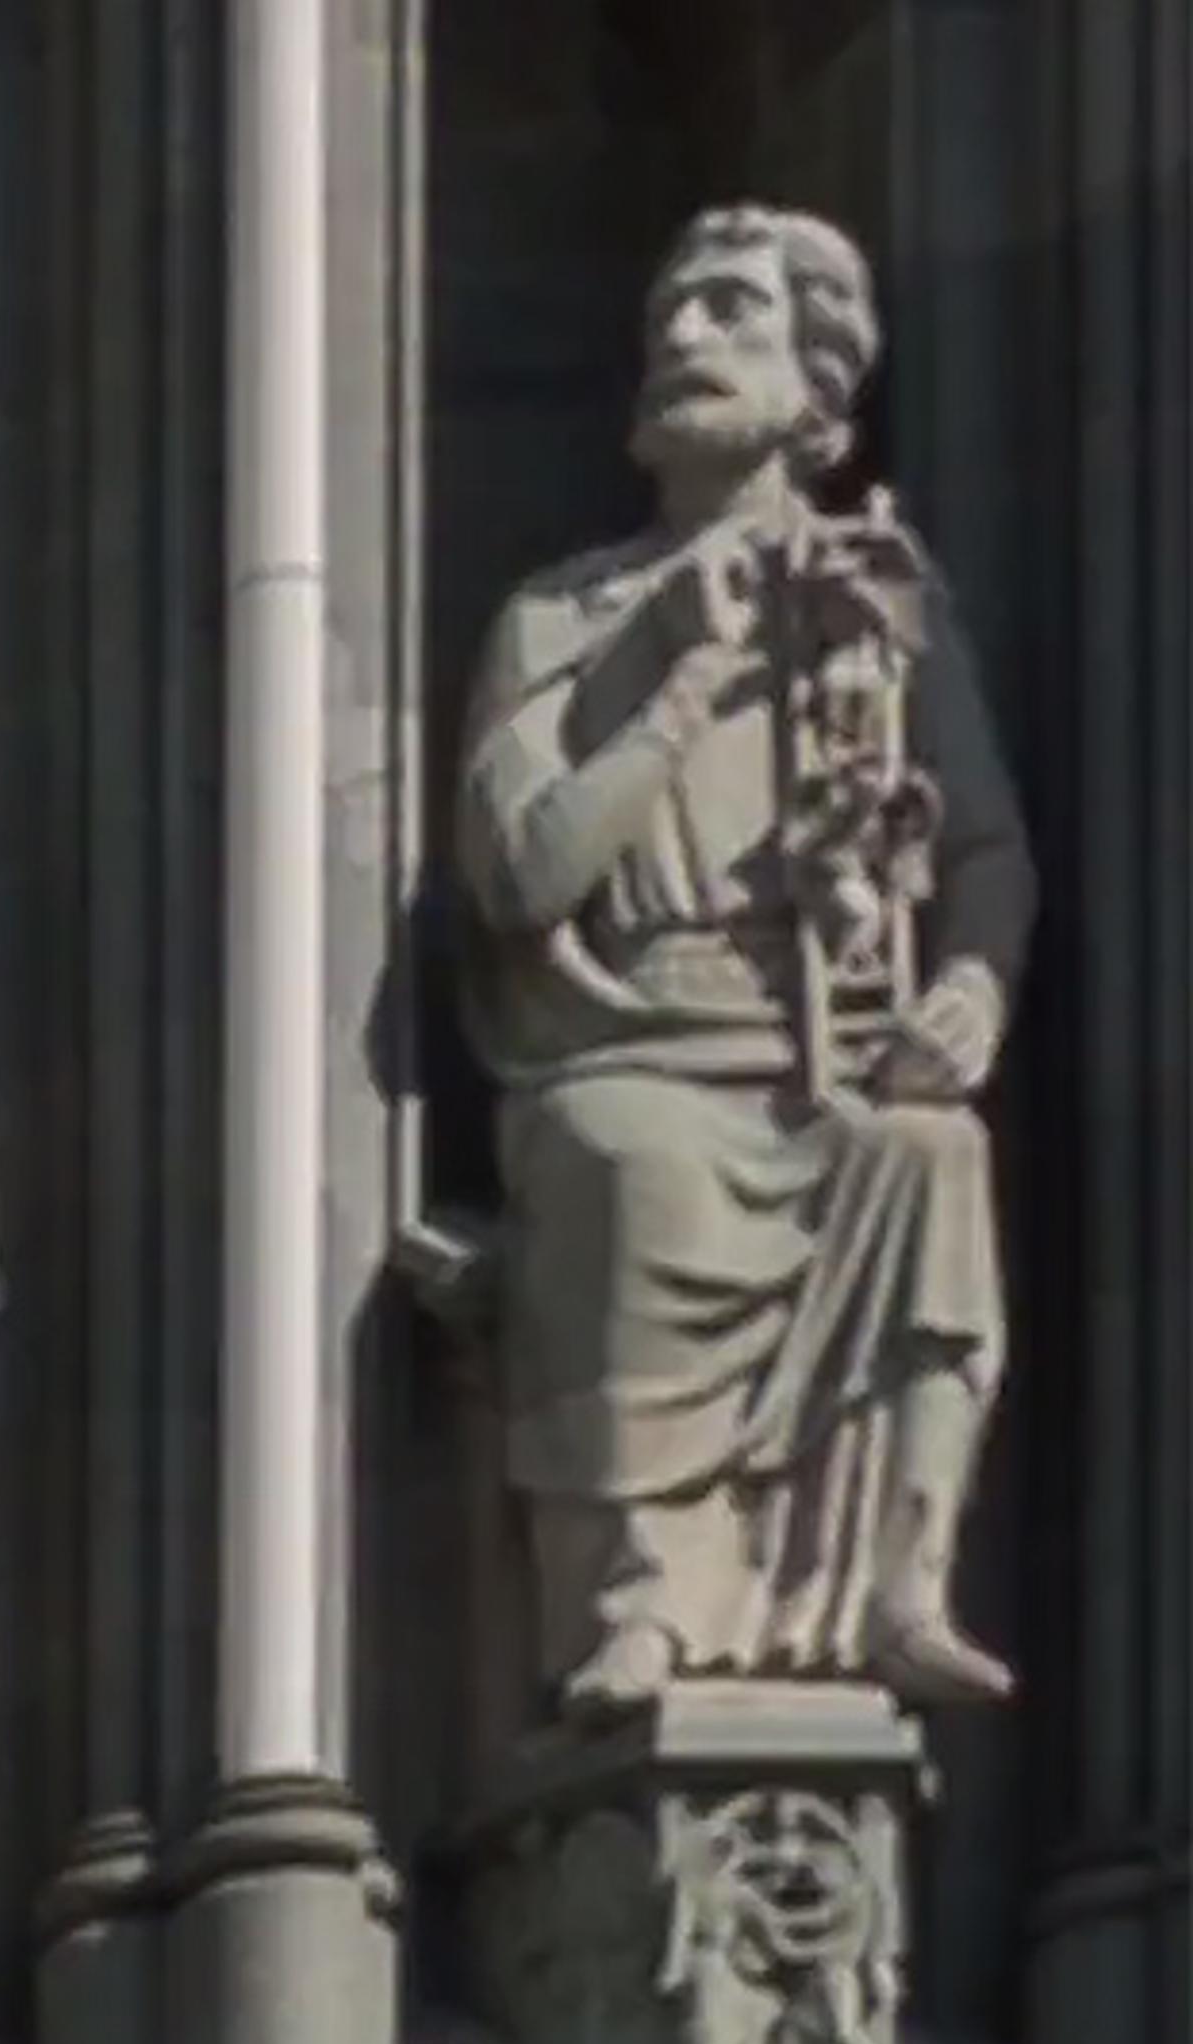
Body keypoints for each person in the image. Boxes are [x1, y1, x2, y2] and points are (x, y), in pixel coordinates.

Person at [454, 204, 1031, 1715]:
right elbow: (524, 873)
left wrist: (971, 982)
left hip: (826, 1052)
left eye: (728, 313)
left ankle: (901, 1585)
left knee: (933, 1156)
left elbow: (986, 854)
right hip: (635, 1043)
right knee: (625, 1160)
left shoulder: (880, 599)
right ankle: (638, 1602)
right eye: (669, 319)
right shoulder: (562, 618)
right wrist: (679, 674)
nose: (683, 342)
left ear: (821, 390)